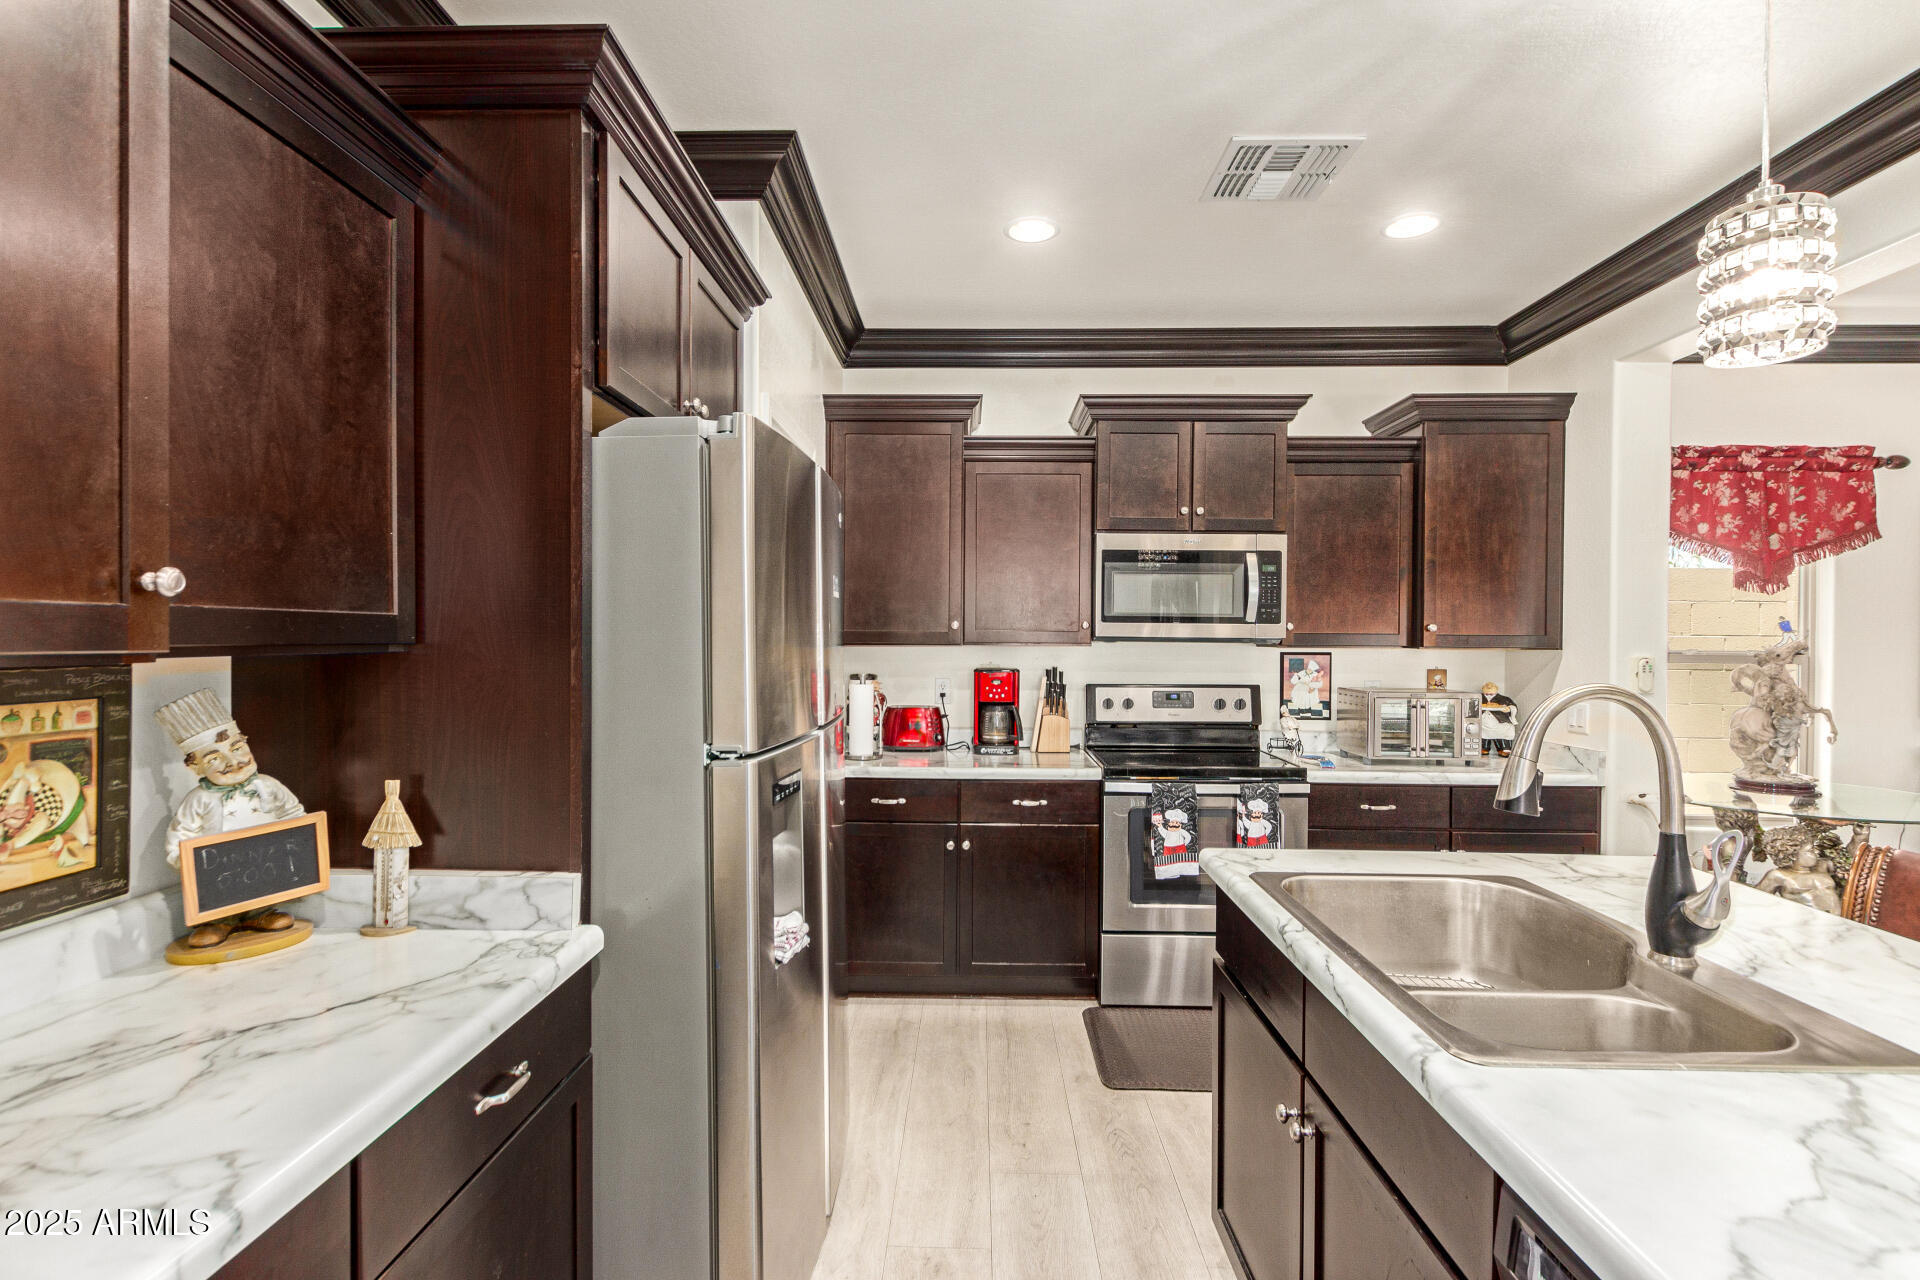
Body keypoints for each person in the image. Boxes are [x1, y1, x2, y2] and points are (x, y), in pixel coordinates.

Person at [155, 689, 306, 948]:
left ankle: (261, 913)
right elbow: (182, 832)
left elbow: (292, 812)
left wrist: (297, 838)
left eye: (237, 748)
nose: (233, 761)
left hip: (265, 864)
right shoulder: (199, 799)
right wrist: (184, 859)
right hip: (217, 872)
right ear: (195, 767)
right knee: (218, 895)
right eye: (214, 758)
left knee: (264, 886)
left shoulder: (267, 786)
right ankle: (219, 922)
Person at [1479, 681, 1517, 757]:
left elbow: (1513, 707)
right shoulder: (1478, 698)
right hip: (1483, 720)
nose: (1489, 695)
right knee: (1478, 728)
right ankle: (1483, 747)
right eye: (1486, 694)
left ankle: (1504, 748)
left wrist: (1509, 709)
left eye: (1491, 694)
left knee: (1506, 728)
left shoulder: (1504, 699)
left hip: (1500, 720)